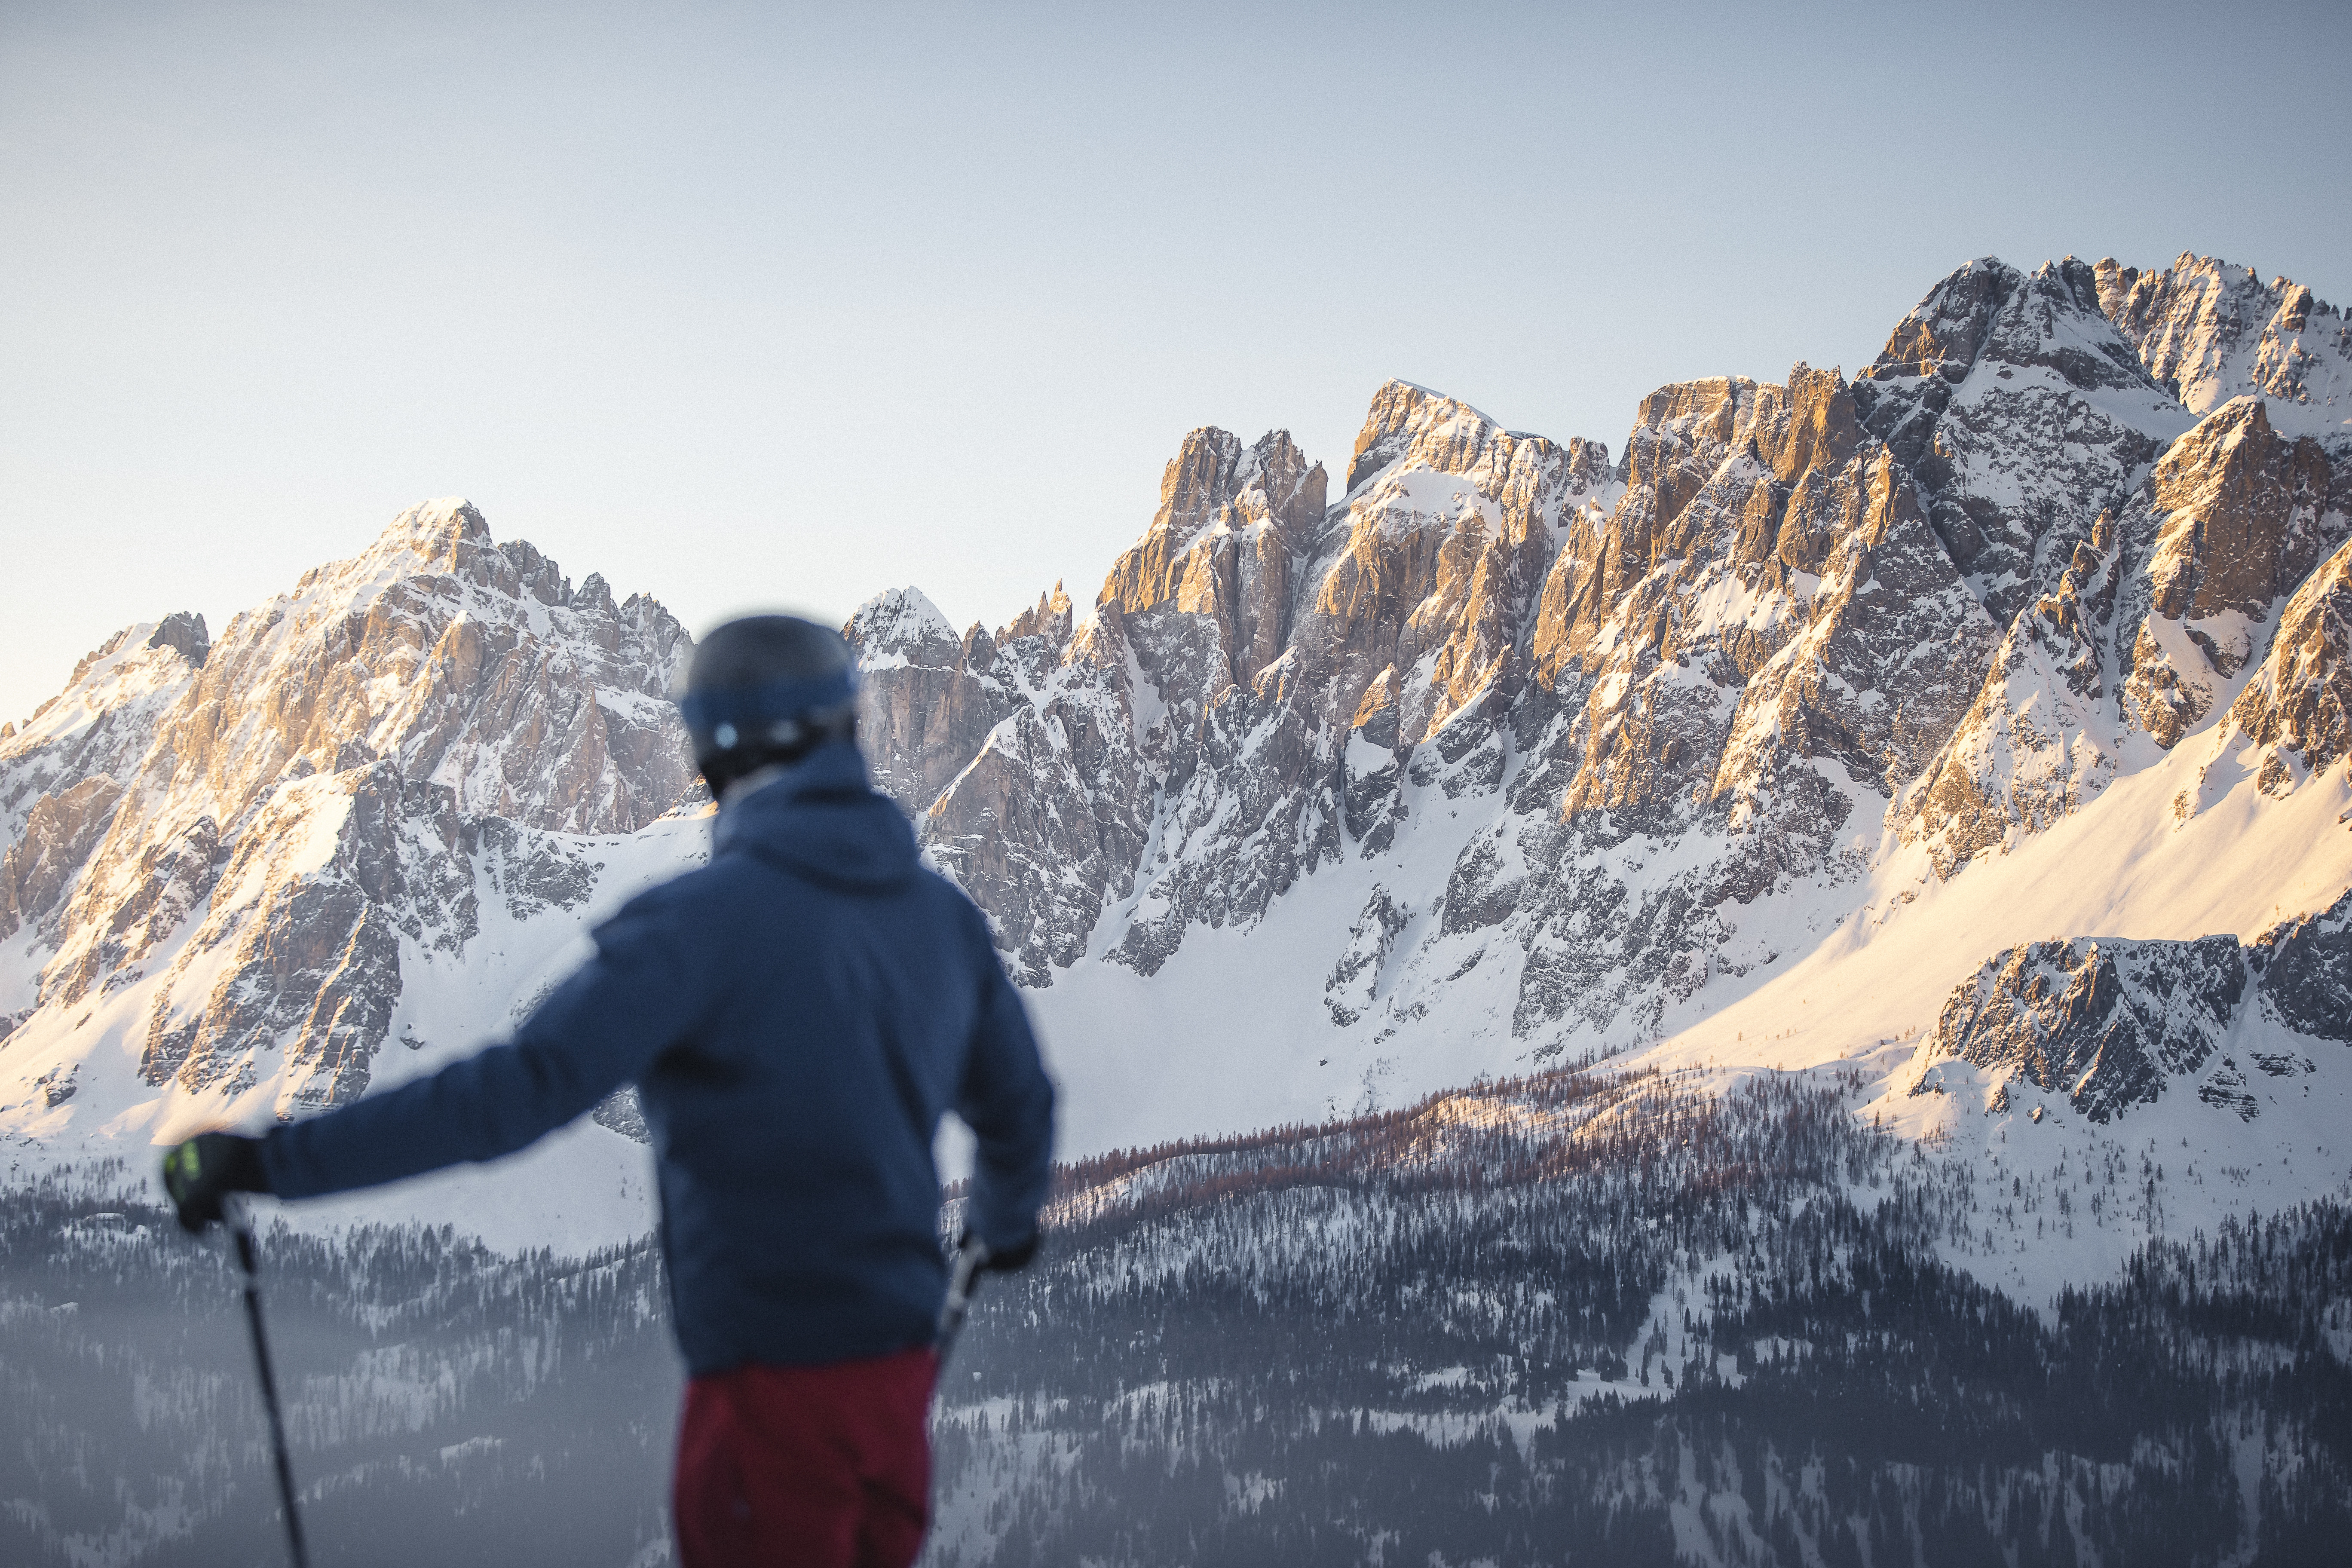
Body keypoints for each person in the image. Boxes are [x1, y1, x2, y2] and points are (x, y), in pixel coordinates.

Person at [161, 614, 1056, 1568]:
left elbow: (516, 1092)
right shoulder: (941, 920)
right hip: (894, 1384)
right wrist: (1002, 1229)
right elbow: (1019, 1106)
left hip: (765, 1397)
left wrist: (266, 1162)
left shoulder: (698, 927)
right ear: (846, 734)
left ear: (714, 757)